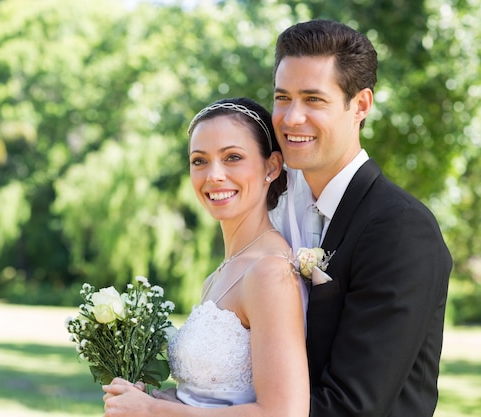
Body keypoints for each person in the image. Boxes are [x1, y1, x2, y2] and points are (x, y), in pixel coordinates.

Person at [270, 19, 452, 416]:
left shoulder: (401, 229)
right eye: (282, 97)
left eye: (313, 99)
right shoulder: (280, 212)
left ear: (361, 105)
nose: (290, 118)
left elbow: (351, 408)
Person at [102, 97, 310, 417]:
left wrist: (151, 411)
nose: (214, 175)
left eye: (232, 157)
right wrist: (158, 398)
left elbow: (283, 412)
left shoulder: (269, 272)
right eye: (199, 161)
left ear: (271, 166)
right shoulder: (218, 276)